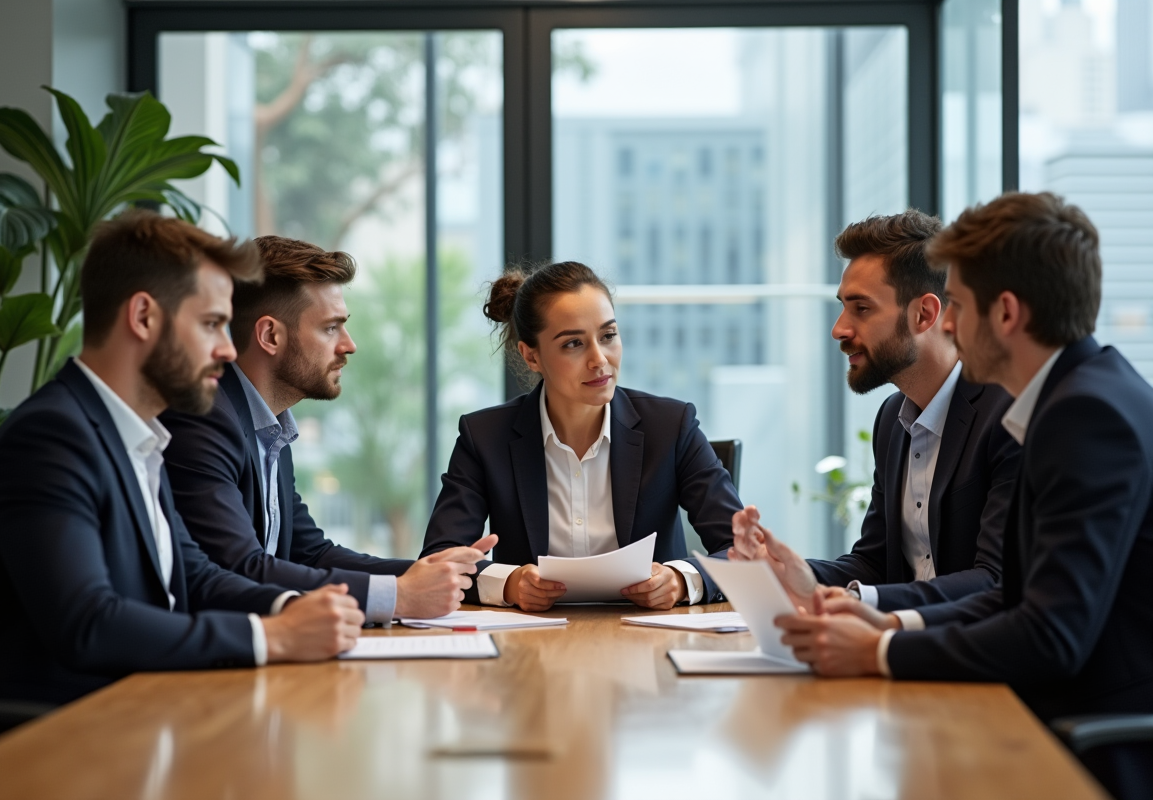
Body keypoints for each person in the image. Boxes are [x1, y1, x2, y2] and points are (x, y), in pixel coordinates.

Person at [769, 193, 1153, 796]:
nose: (949, 325)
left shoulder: (1084, 415)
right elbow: (1016, 598)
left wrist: (882, 651)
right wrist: (884, 625)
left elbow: (1049, 634)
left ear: (1004, 313)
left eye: (960, 307)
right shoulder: (1074, 396)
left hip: (1087, 748)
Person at [0, 211, 365, 706]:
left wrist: (299, 607)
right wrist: (273, 637)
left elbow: (196, 576)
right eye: (211, 324)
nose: (227, 350)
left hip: (136, 724)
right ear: (144, 316)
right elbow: (89, 623)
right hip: (49, 748)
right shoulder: (50, 438)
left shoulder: (137, 437)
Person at [161, 235, 495, 623]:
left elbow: (310, 552)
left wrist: (433, 573)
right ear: (270, 335)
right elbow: (239, 566)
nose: (349, 346)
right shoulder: (204, 416)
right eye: (331, 328)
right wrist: (398, 595)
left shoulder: (268, 425)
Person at [731, 210, 1020, 614]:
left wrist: (853, 601)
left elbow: (995, 579)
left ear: (925, 314)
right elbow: (875, 563)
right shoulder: (892, 419)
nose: (839, 329)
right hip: (909, 652)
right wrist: (789, 573)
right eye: (843, 307)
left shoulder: (1008, 413)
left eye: (861, 309)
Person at [420, 260, 742, 611]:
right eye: (573, 344)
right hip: (531, 645)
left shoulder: (672, 425)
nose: (599, 359)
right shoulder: (484, 437)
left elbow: (741, 552)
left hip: (651, 642)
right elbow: (440, 559)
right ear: (531, 355)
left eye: (608, 336)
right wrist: (509, 584)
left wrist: (681, 581)